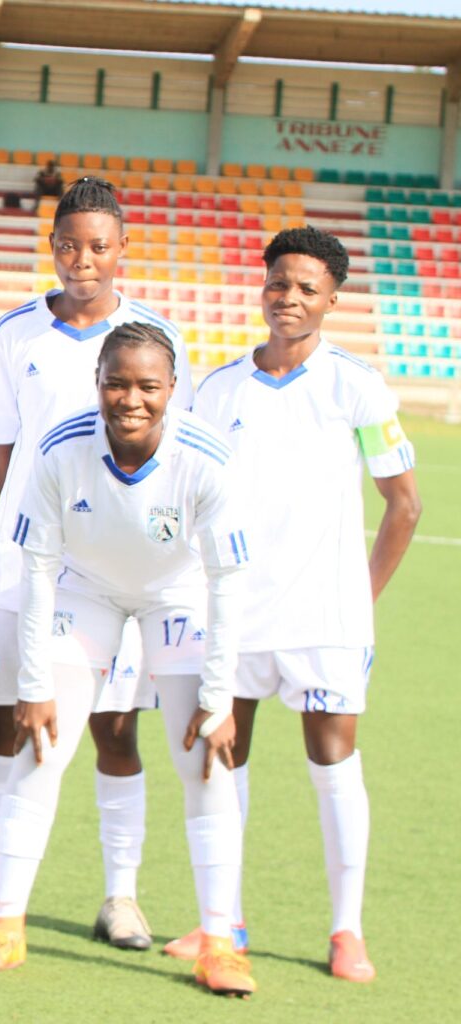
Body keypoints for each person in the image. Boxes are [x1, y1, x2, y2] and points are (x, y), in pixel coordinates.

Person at [0, 323, 257, 999]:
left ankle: (218, 942)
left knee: (202, 754)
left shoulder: (206, 456)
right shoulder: (61, 449)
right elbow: (37, 571)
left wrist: (219, 694)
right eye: (116, 382)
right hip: (84, 591)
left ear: (173, 390)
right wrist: (33, 684)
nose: (131, 399)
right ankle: (4, 923)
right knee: (42, 746)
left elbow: (228, 580)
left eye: (148, 386)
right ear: (97, 384)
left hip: (175, 595)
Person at [0, 177, 192, 946]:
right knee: (8, 721)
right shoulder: (14, 333)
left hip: (120, 566)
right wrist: (36, 527)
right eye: (67, 244)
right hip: (25, 560)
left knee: (115, 727)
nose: (81, 259)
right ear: (50, 246)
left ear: (122, 250)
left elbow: (169, 448)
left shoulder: (154, 336)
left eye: (98, 246)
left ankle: (121, 896)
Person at [184, 227, 420, 983]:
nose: (289, 299)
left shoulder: (356, 384)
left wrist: (359, 599)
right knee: (223, 761)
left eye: (307, 288)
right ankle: (225, 923)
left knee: (332, 763)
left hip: (325, 622)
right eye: (279, 283)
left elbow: (404, 505)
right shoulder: (219, 389)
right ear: (263, 287)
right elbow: (193, 501)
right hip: (235, 617)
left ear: (332, 301)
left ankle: (346, 930)